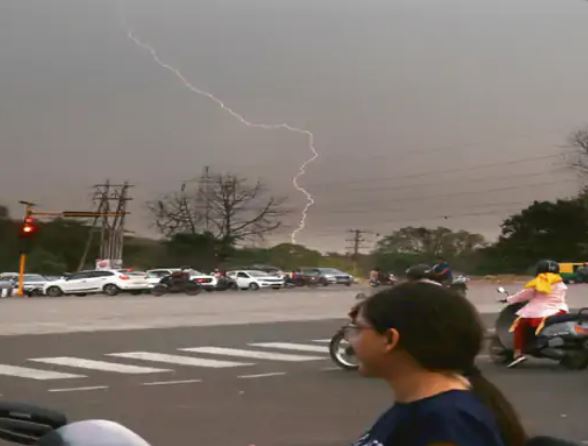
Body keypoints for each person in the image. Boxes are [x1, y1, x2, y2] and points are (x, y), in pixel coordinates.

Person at [345, 283, 526, 446]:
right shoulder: (424, 411)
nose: (351, 342)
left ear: (390, 339)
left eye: (358, 329)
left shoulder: (446, 422)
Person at [505, 259, 568, 368]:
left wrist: (509, 299)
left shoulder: (540, 281)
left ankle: (518, 353)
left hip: (541, 312)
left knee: (518, 326)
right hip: (559, 310)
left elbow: (523, 295)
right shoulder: (560, 282)